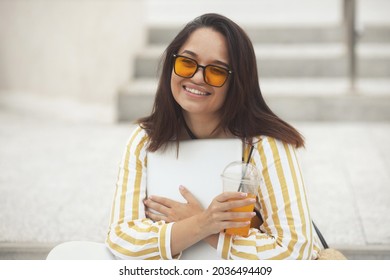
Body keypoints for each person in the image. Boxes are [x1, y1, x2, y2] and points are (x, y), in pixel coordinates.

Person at [106, 13, 321, 260]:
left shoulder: (267, 145)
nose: (197, 77)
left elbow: (295, 250)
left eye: (216, 71)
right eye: (187, 63)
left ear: (237, 82)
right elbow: (121, 238)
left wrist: (205, 227)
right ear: (171, 66)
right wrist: (202, 223)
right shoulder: (145, 140)